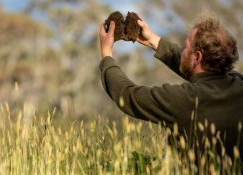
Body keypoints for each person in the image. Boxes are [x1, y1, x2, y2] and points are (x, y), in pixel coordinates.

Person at [98, 15, 243, 164]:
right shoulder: (239, 82)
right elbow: (198, 68)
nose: (182, 50)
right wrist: (152, 40)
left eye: (186, 47)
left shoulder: (187, 100)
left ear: (197, 57)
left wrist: (106, 55)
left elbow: (127, 95)